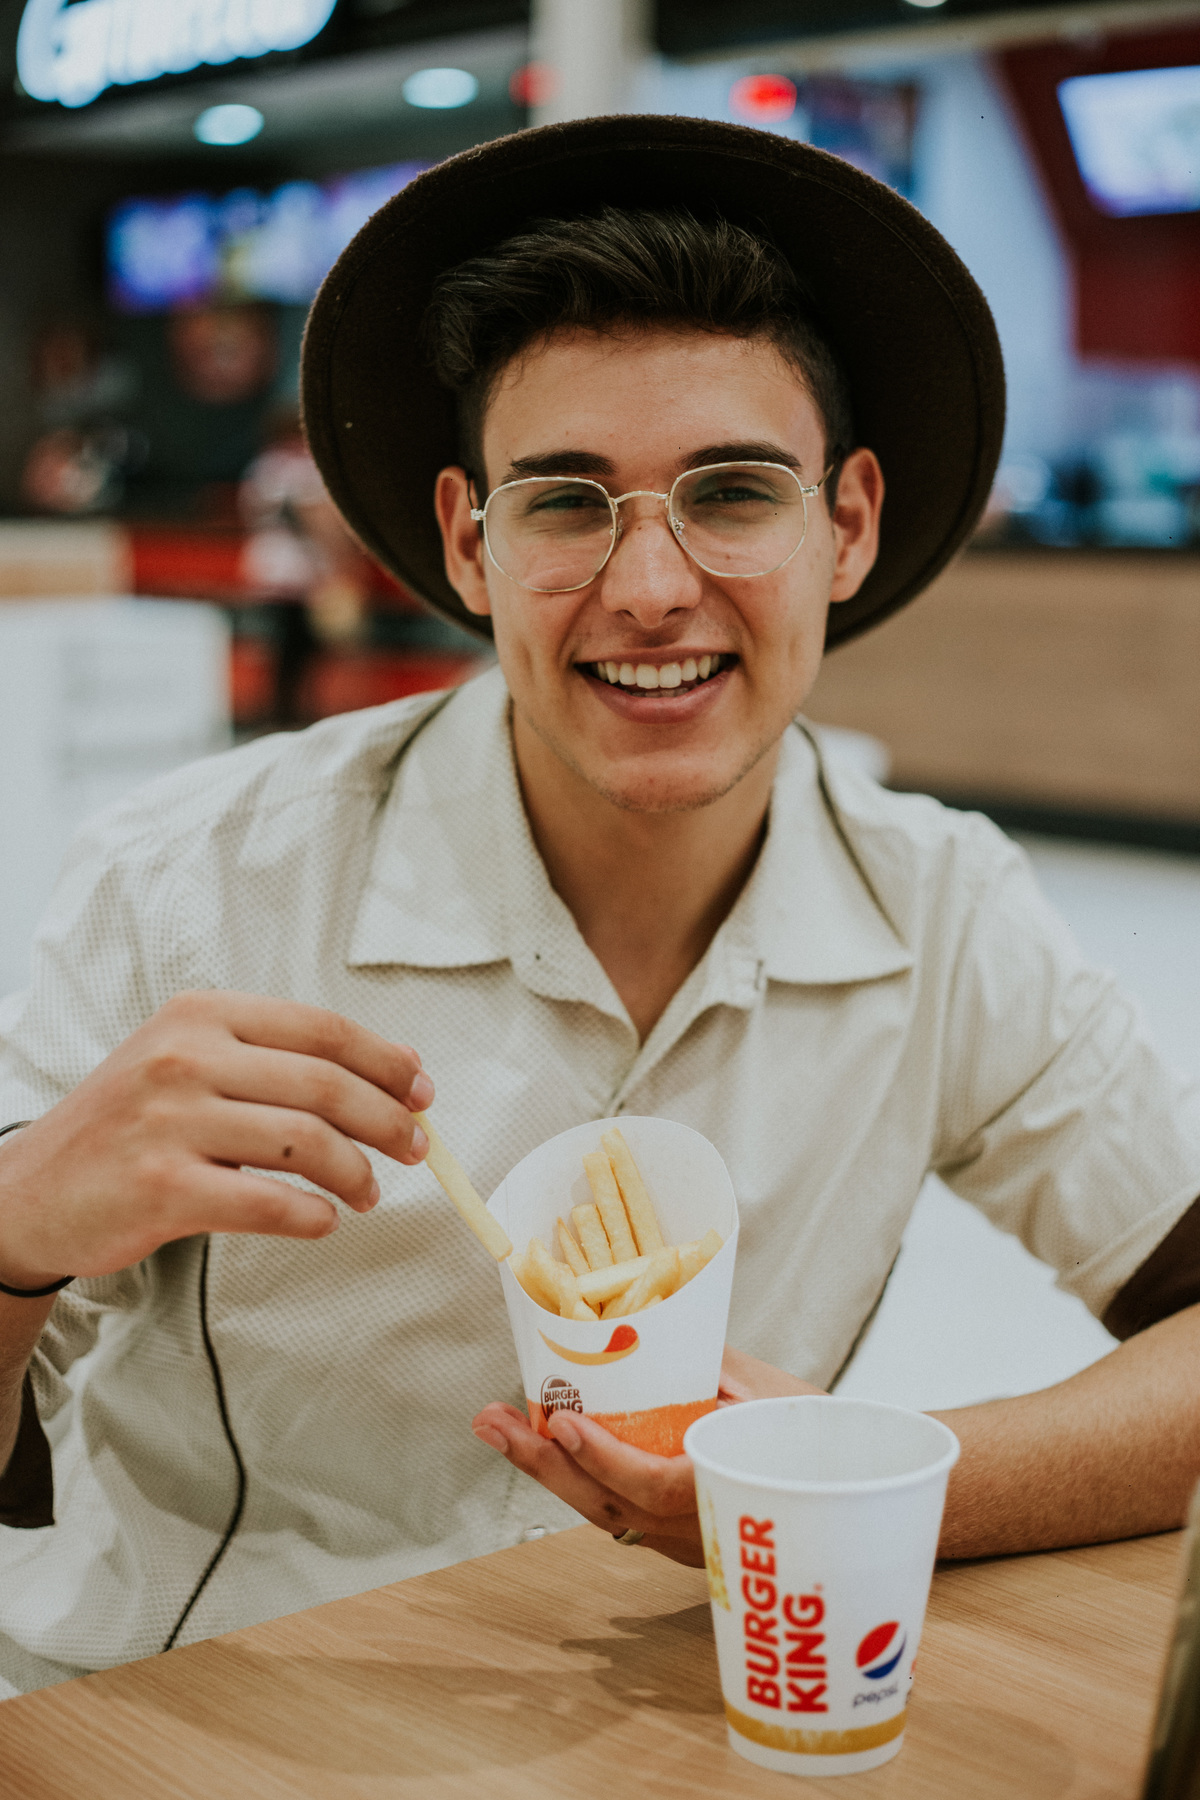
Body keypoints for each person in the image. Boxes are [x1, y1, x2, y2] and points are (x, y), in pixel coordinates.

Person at [1, 117, 1198, 1695]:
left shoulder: (939, 906)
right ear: (467, 539)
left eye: (733, 492)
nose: (650, 587)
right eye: (568, 500)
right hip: (206, 1723)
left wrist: (840, 1470)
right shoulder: (201, 886)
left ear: (845, 524)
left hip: (679, 1724)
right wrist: (17, 1232)